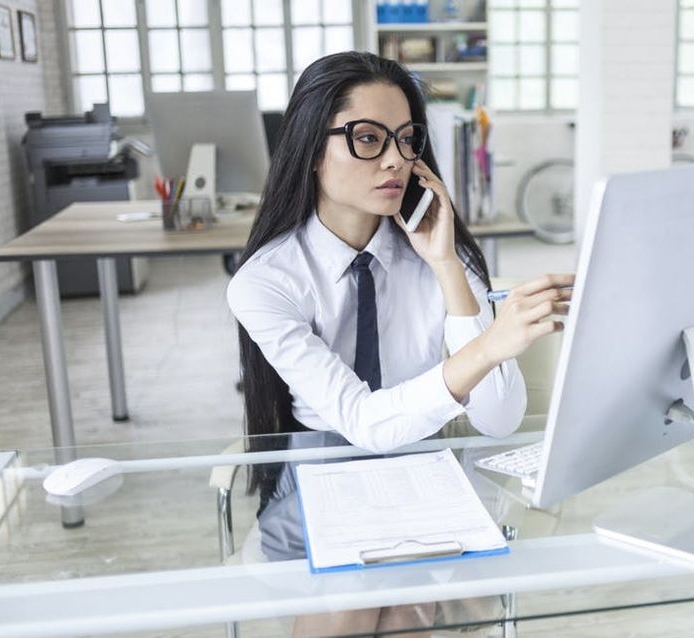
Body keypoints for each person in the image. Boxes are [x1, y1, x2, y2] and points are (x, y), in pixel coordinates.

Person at [226, 51, 573, 636]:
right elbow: (363, 421)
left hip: (424, 463)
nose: (396, 160)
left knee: (410, 604)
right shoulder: (266, 281)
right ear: (313, 151)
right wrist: (489, 346)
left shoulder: (440, 254)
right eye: (367, 139)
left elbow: (498, 418)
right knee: (352, 603)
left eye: (407, 140)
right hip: (322, 466)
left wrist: (444, 266)